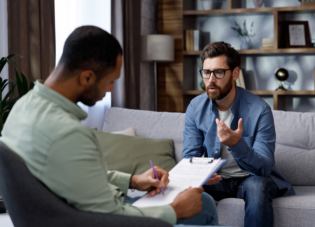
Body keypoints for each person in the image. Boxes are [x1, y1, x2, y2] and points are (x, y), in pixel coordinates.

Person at [0, 26, 219, 226]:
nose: (111, 90)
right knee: (205, 204)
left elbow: (75, 174)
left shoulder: (22, 108)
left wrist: (133, 180)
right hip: (100, 218)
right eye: (110, 81)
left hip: (71, 210)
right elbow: (109, 217)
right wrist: (174, 210)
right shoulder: (68, 133)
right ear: (87, 77)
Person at [182, 41, 295, 227]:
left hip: (250, 178)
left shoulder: (260, 110)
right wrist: (199, 175)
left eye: (218, 72)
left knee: (257, 186)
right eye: (206, 72)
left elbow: (264, 168)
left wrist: (237, 145)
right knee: (184, 190)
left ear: (235, 73)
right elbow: (190, 157)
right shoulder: (195, 107)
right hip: (217, 180)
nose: (210, 79)